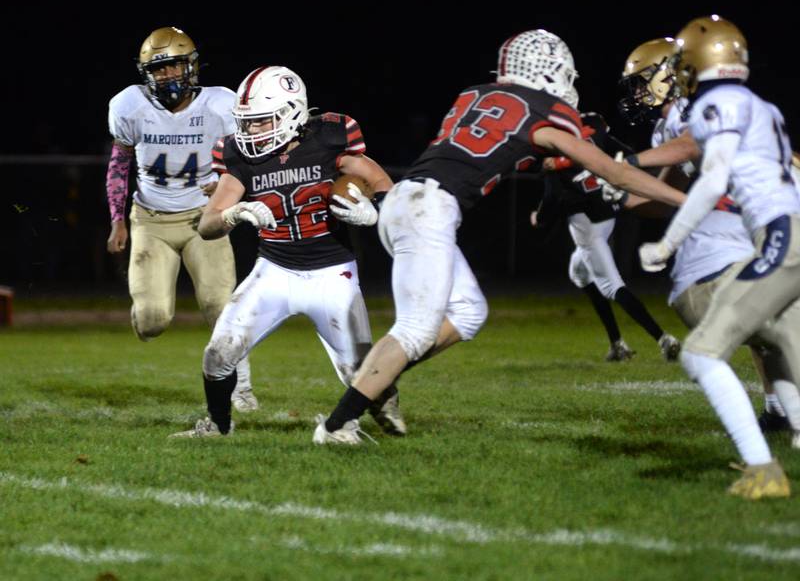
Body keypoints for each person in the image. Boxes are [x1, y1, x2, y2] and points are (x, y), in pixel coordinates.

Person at [312, 29, 686, 445]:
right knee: (416, 329)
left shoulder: (476, 96)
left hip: (406, 199)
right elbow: (614, 172)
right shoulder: (544, 111)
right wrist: (686, 200)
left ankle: (373, 385)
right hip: (430, 209)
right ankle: (337, 424)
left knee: (469, 311)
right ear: (550, 72)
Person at [170, 65, 404, 438]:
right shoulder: (240, 157)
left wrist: (372, 209)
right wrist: (234, 212)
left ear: (291, 113)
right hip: (274, 270)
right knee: (218, 354)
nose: (250, 132)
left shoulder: (328, 138)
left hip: (332, 273)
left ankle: (372, 406)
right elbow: (208, 225)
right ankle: (217, 425)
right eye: (246, 123)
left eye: (261, 122)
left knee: (359, 371)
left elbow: (380, 182)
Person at [639, 16, 800, 499]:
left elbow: (707, 174)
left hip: (763, 242)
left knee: (702, 349)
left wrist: (666, 241)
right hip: (780, 234)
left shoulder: (707, 106)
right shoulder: (761, 107)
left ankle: (763, 470)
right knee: (780, 341)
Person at [105, 26, 257, 412]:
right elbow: (119, 163)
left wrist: (225, 182)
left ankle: (240, 387)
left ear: (192, 66)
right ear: (146, 74)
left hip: (204, 220)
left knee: (221, 305)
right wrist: (117, 220)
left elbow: (244, 157)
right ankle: (144, 311)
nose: (169, 76)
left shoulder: (222, 104)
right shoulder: (129, 106)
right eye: (159, 69)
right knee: (152, 321)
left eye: (175, 66)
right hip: (151, 220)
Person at [530, 111, 681, 362]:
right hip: (608, 214)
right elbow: (621, 153)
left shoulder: (553, 146)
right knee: (578, 273)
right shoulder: (592, 126)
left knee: (612, 286)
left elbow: (552, 198)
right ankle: (617, 344)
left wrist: (538, 217)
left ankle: (664, 339)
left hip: (586, 226)